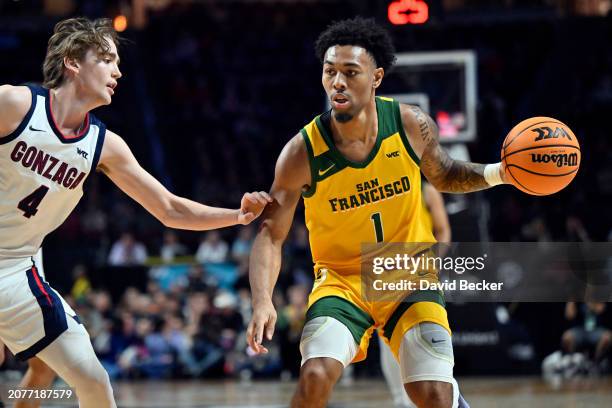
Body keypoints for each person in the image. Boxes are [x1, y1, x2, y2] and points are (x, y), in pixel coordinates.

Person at [0, 17, 271, 408]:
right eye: (108, 59)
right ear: (73, 62)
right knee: (38, 370)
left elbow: (170, 208)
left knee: (92, 381)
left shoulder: (103, 145)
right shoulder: (15, 105)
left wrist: (237, 216)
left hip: (17, 266)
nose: (118, 71)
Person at [246, 17, 507, 408]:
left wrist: (500, 172)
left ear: (376, 77)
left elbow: (447, 173)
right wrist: (263, 300)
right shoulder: (301, 152)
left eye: (350, 72)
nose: (338, 82)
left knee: (431, 394)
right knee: (315, 375)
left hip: (408, 275)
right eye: (330, 71)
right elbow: (271, 234)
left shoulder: (408, 123)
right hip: (342, 282)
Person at [379, 182, 451, 408]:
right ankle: (401, 401)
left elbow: (443, 230)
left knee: (427, 335)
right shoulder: (382, 187)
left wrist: (432, 263)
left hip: (419, 274)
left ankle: (438, 393)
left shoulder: (426, 190)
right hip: (387, 270)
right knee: (387, 341)